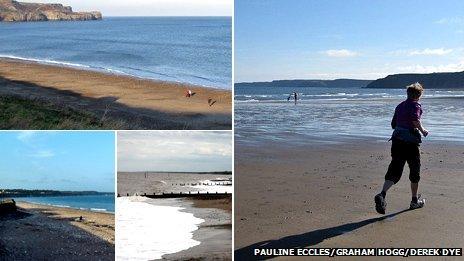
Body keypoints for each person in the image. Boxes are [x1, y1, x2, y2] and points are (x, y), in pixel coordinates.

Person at [375, 82, 429, 214]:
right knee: (414, 171)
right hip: (410, 142)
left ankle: (382, 194)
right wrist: (422, 131)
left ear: (408, 93)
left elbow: (393, 124)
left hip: (397, 140)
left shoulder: (400, 106)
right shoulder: (416, 105)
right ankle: (414, 201)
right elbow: (415, 119)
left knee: (395, 168)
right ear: (419, 95)